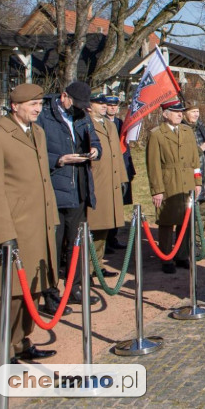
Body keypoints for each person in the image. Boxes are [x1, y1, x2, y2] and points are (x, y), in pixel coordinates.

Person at [0, 83, 59, 368]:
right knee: (7, 293)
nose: (38, 109)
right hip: (14, 229)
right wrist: (3, 234)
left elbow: (42, 180)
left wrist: (52, 219)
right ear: (15, 106)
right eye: (32, 104)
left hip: (39, 224)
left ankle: (21, 341)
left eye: (40, 104)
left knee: (33, 289)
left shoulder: (37, 132)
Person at [36, 80, 101, 310]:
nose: (80, 108)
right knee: (53, 246)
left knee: (78, 244)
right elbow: (37, 152)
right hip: (56, 190)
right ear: (64, 97)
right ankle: (51, 293)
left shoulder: (82, 116)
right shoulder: (44, 118)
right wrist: (59, 160)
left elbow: (96, 141)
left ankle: (75, 287)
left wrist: (94, 150)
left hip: (79, 190)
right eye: (76, 103)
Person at [146, 100, 201, 273]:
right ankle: (166, 257)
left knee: (186, 221)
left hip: (187, 181)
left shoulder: (187, 131)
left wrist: (197, 181)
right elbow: (153, 165)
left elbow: (195, 159)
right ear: (165, 114)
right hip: (168, 181)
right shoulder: (156, 135)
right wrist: (157, 190)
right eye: (175, 111)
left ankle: (182, 255)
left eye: (180, 112)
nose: (179, 114)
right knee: (167, 221)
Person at [87, 93, 128, 276]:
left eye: (106, 104)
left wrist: (122, 178)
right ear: (89, 105)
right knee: (93, 227)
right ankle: (88, 267)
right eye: (99, 103)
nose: (104, 106)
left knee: (104, 226)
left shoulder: (109, 125)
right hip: (96, 182)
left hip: (111, 182)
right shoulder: (85, 124)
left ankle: (98, 263)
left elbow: (117, 154)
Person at [185, 102, 205, 258]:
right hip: (191, 178)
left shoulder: (201, 127)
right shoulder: (183, 130)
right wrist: (201, 149)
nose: (196, 114)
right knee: (191, 215)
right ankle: (190, 247)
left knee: (202, 215)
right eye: (193, 111)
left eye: (197, 111)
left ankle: (199, 245)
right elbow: (185, 155)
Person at [105, 95, 133, 252]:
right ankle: (105, 239)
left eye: (115, 105)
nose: (113, 108)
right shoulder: (101, 123)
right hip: (108, 170)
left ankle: (113, 237)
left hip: (121, 166)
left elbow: (125, 146)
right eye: (110, 105)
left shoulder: (119, 123)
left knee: (118, 205)